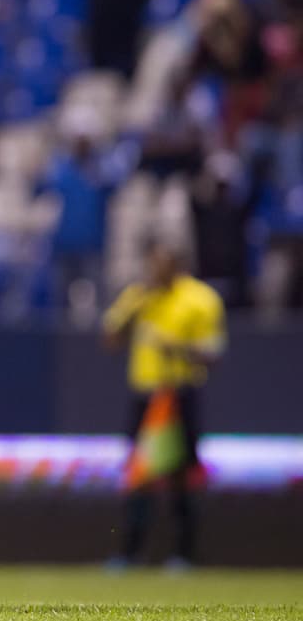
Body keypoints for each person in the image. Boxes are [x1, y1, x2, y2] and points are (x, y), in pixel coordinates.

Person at [102, 238, 225, 568]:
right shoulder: (138, 296)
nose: (155, 271)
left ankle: (184, 553)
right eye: (152, 264)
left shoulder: (200, 298)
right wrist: (134, 311)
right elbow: (111, 339)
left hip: (180, 393)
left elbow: (213, 353)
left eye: (162, 264)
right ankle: (130, 552)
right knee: (138, 474)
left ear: (177, 265)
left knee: (182, 475)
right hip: (146, 395)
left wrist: (178, 348)